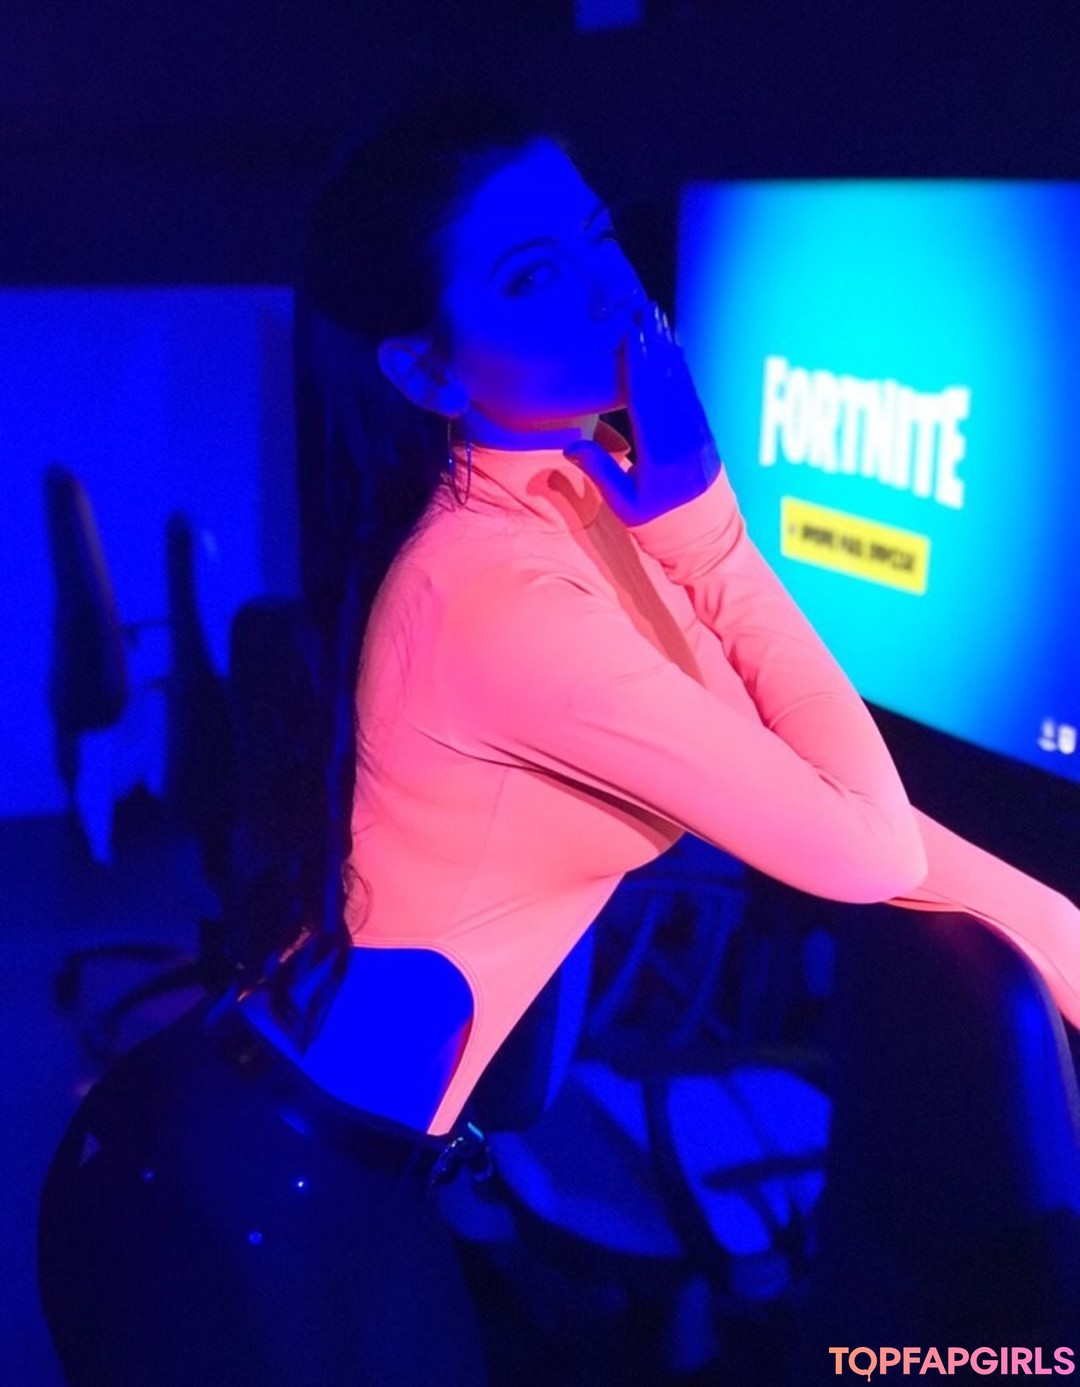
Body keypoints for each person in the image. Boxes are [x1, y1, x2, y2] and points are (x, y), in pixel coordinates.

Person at [37, 81, 1080, 1385]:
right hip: (246, 1200)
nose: (610, 290)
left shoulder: (583, 500)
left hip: (328, 1158)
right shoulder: (504, 597)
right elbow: (865, 849)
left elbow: (830, 789)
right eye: (534, 276)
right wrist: (713, 537)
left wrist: (1065, 941)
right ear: (426, 369)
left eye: (597, 234)